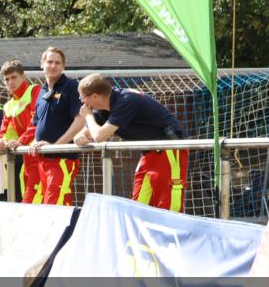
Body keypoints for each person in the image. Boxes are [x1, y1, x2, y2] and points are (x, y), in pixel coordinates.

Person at [75, 73, 189, 212]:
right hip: (149, 153)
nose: (83, 103)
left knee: (169, 204)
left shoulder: (126, 100)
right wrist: (82, 134)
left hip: (168, 149)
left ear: (94, 96)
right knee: (139, 204)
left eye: (82, 97)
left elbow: (99, 136)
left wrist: (87, 116)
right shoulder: (104, 108)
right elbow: (84, 135)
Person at [29, 47, 85, 206]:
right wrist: (34, 141)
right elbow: (37, 124)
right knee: (57, 205)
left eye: (57, 63)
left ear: (63, 66)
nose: (53, 66)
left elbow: (80, 121)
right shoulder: (41, 90)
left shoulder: (71, 86)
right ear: (42, 64)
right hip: (42, 159)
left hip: (62, 159)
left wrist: (56, 146)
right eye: (50, 62)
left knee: (54, 205)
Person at [0, 60, 42, 203]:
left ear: (23, 76)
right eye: (6, 79)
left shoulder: (35, 90)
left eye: (14, 77)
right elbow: (2, 131)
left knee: (33, 200)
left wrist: (21, 141)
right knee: (25, 200)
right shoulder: (8, 105)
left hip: (39, 155)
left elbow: (37, 120)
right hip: (25, 157)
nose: (10, 82)